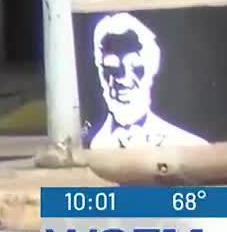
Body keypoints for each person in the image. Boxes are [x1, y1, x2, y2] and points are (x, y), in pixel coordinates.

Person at [85, 12, 207, 149]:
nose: (122, 77)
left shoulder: (193, 146)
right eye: (111, 66)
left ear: (152, 67)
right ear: (100, 71)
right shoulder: (85, 146)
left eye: (134, 65)